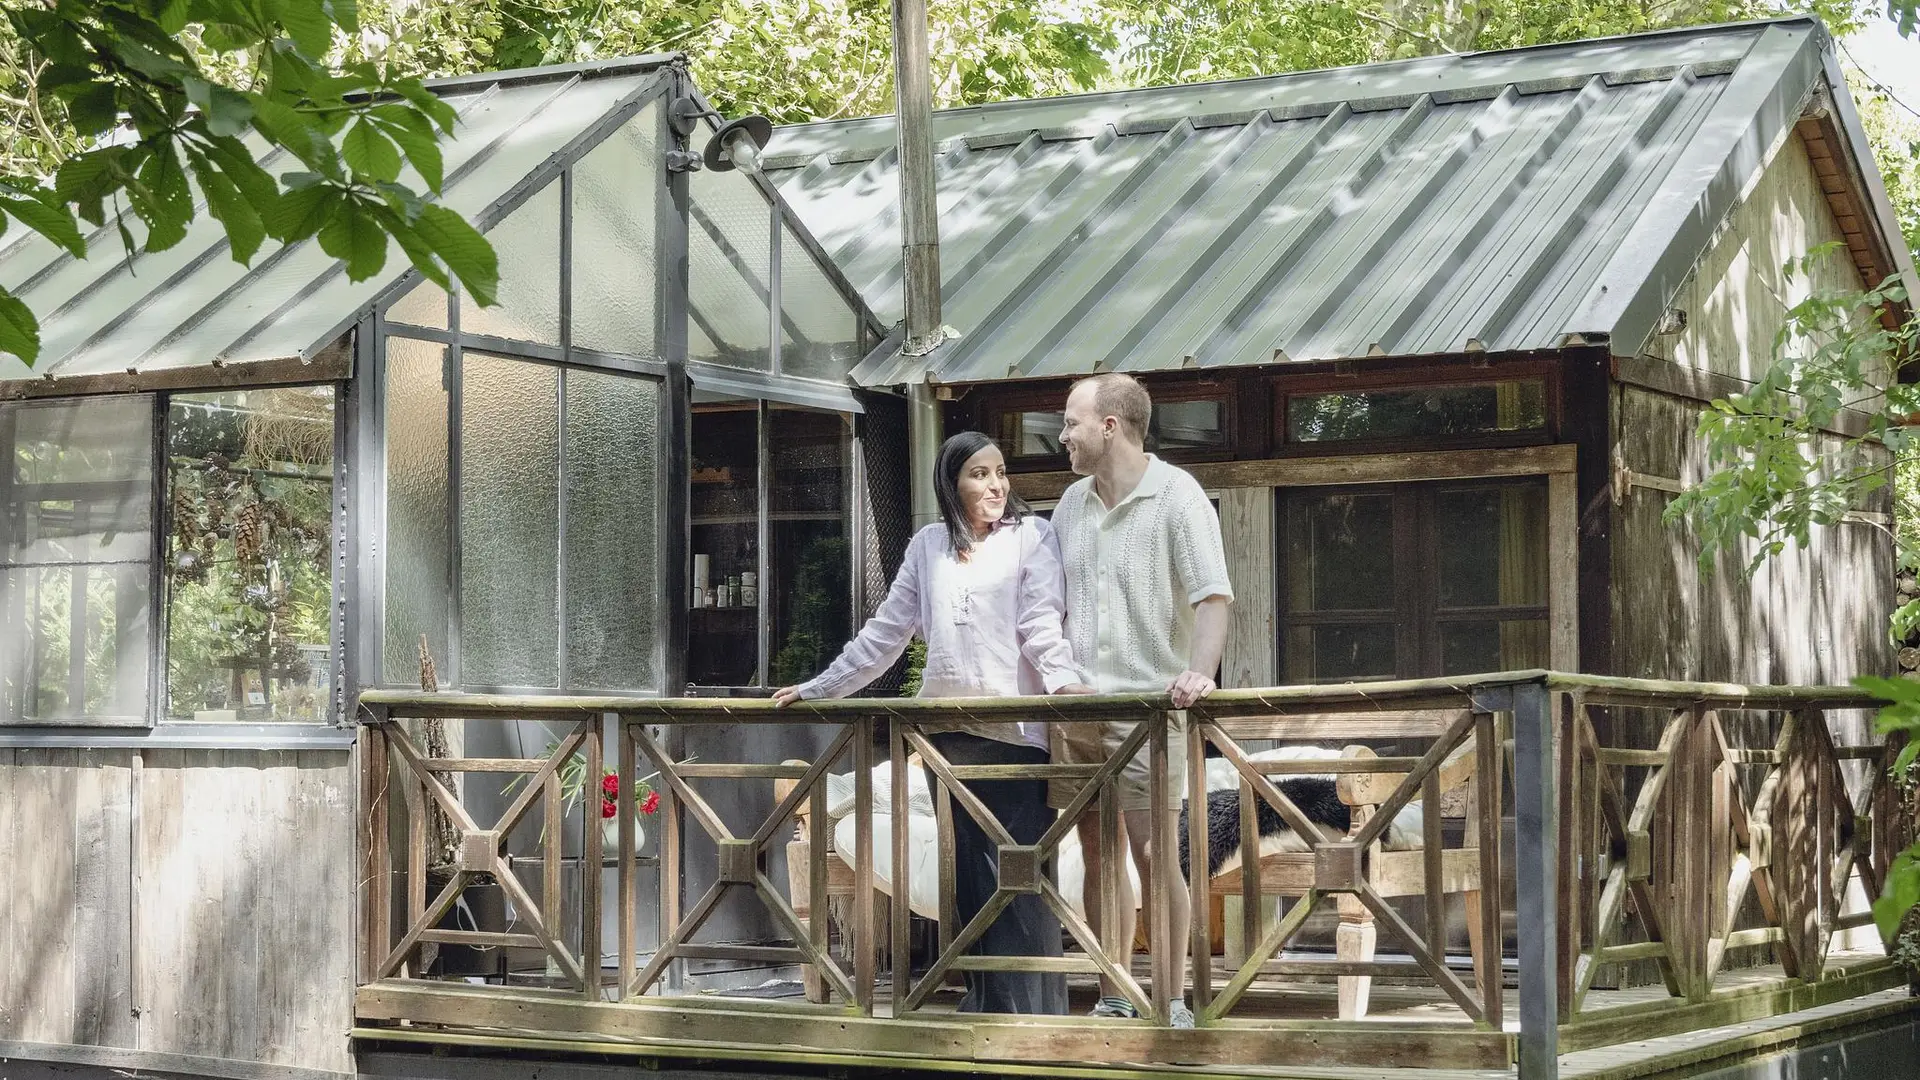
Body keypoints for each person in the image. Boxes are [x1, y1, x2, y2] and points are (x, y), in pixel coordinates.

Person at [774, 430, 1092, 1015]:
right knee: (970, 876)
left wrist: (1066, 686)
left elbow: (1043, 625)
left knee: (1019, 875)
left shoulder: (1033, 536)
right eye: (980, 474)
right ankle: (984, 1004)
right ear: (952, 483)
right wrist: (818, 688)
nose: (996, 485)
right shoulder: (928, 546)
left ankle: (1032, 1012)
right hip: (947, 735)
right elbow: (885, 635)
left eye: (1000, 472)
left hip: (1017, 733)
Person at [1048, 372, 1233, 1029]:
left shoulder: (1177, 496)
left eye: (1071, 422)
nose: (1061, 434)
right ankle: (1114, 993)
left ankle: (1174, 1001)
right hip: (1076, 709)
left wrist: (1199, 673)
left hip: (1152, 712)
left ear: (1109, 425)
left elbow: (1212, 596)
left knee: (1155, 851)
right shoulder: (1070, 504)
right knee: (1098, 854)